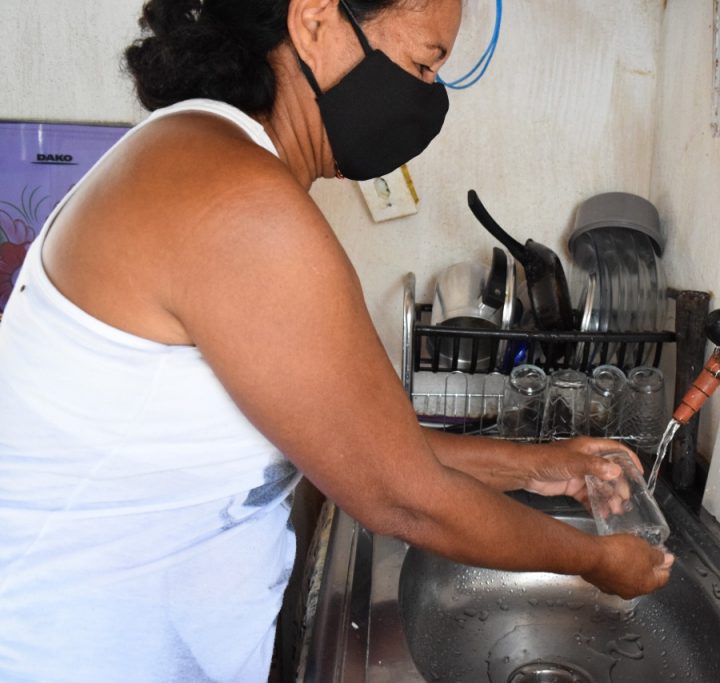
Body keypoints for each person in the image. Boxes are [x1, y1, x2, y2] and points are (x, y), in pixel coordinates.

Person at [0, 0, 673, 680]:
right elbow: (400, 494)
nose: (429, 97)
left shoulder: (198, 155)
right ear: (316, 21)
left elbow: (357, 442)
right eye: (423, 63)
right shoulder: (237, 199)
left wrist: (536, 465)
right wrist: (598, 559)